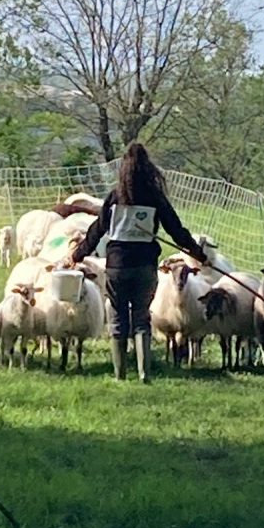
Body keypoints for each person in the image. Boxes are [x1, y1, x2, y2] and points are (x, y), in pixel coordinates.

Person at [69, 143, 208, 383]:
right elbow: (176, 230)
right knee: (142, 316)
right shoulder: (155, 197)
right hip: (145, 265)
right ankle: (145, 374)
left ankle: (119, 374)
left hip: (117, 266)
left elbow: (97, 230)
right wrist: (198, 253)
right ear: (148, 168)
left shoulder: (114, 197)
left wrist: (77, 255)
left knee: (119, 316)